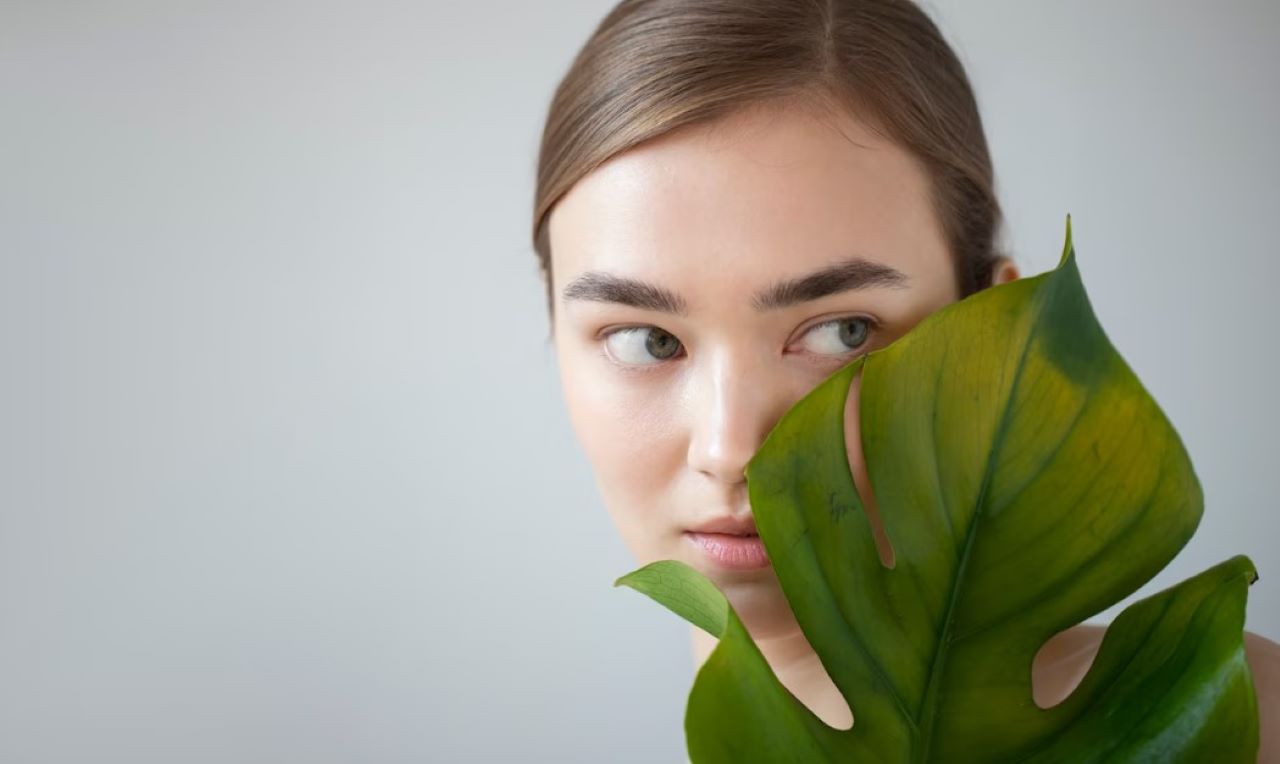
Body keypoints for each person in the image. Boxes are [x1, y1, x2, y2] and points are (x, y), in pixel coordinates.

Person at [530, 0, 1280, 757]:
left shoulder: (1230, 727)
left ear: (993, 329)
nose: (729, 449)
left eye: (840, 333)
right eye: (647, 340)